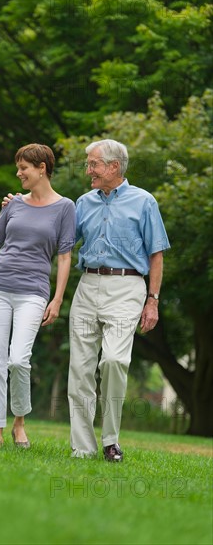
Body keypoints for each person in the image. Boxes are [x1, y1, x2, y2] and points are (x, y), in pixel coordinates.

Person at [0, 144, 76, 448]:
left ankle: (19, 422)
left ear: (42, 168)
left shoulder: (65, 207)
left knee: (19, 360)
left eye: (24, 168)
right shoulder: (14, 205)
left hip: (33, 292)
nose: (19, 173)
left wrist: (58, 299)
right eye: (18, 168)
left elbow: (64, 257)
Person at [68, 139, 170, 461]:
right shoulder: (83, 202)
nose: (88, 171)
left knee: (114, 360)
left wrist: (152, 300)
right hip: (88, 284)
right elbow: (59, 242)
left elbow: (156, 254)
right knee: (80, 369)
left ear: (114, 166)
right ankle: (83, 448)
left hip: (127, 288)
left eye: (93, 164)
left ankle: (110, 439)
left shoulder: (144, 202)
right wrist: (21, 206)